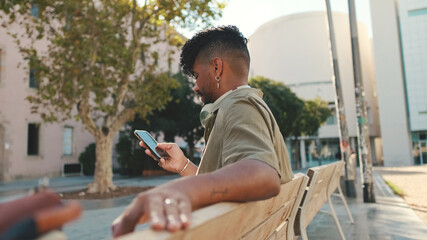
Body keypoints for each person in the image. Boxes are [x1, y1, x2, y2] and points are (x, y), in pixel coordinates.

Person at [111, 25, 294, 237]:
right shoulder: (242, 105)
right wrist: (183, 165)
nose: (196, 86)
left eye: (197, 75)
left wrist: (179, 192)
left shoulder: (239, 107)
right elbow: (235, 179)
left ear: (217, 68)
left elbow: (263, 176)